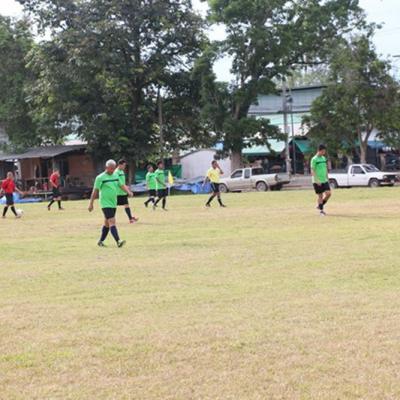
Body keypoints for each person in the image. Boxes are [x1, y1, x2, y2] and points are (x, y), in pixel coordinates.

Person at [88, 159, 133, 247]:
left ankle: (100, 241)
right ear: (106, 167)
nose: (112, 170)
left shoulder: (115, 176)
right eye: (111, 168)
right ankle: (118, 241)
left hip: (113, 203)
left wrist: (128, 191)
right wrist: (91, 203)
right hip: (105, 203)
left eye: (113, 168)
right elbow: (95, 191)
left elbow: (121, 185)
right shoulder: (100, 177)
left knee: (107, 223)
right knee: (112, 221)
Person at [311, 144, 332, 216]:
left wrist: (327, 178)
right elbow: (312, 170)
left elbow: (325, 168)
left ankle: (320, 205)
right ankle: (321, 211)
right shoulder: (314, 159)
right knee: (320, 196)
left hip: (324, 180)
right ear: (319, 151)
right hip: (317, 181)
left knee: (328, 194)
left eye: (324, 151)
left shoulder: (323, 158)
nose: (324, 153)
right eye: (323, 151)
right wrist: (316, 180)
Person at [116, 159, 138, 223]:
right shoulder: (116, 172)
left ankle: (130, 219)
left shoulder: (122, 172)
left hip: (123, 192)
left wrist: (127, 187)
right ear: (119, 165)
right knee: (113, 207)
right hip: (118, 193)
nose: (124, 167)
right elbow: (120, 185)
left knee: (126, 205)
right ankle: (109, 219)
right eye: (123, 165)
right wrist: (129, 192)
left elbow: (122, 183)